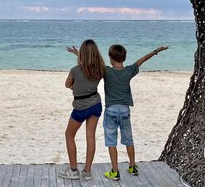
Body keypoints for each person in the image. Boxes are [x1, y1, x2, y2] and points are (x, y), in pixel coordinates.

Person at [102, 44, 168, 181]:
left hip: (111, 110)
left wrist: (78, 53)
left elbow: (91, 61)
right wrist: (155, 51)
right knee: (128, 140)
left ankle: (115, 171)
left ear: (110, 58)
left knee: (111, 142)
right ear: (124, 58)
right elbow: (142, 60)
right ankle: (132, 166)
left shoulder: (106, 71)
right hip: (125, 110)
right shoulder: (129, 71)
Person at [58, 39, 106, 180]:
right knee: (90, 137)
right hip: (96, 105)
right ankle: (87, 171)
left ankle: (73, 170)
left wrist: (75, 87)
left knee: (69, 134)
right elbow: (90, 62)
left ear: (83, 54)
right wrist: (77, 54)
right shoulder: (100, 69)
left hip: (80, 107)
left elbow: (67, 85)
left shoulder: (75, 70)